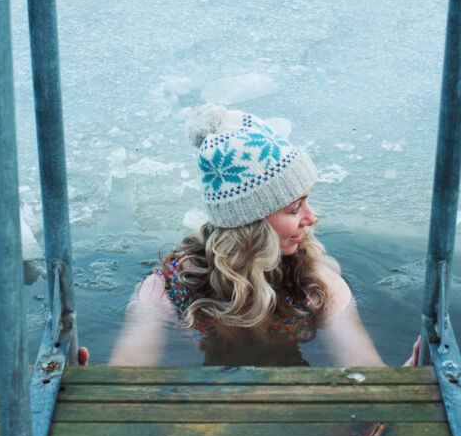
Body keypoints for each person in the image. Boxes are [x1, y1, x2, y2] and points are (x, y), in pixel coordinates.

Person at [108, 104, 415, 367]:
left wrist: (406, 379)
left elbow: (362, 366)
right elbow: (128, 368)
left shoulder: (315, 283)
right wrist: (87, 386)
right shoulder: (173, 286)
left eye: (306, 201)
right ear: (250, 226)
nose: (312, 217)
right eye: (295, 208)